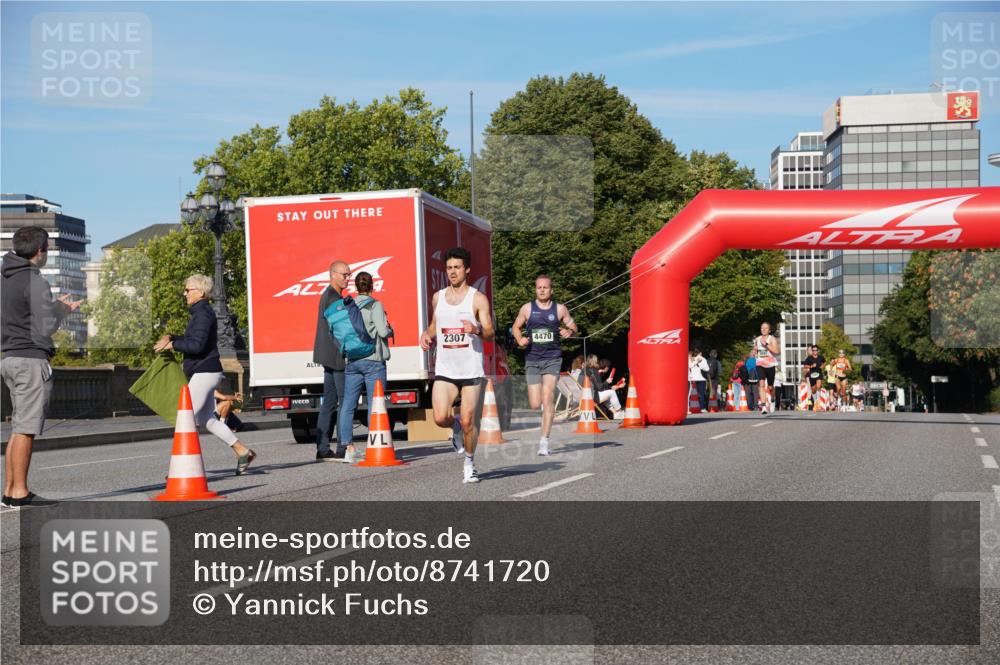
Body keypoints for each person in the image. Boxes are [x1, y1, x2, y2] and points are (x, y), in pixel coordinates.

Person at [1, 227, 83, 508]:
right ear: (40, 251)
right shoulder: (35, 281)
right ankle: (21, 492)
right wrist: (61, 310)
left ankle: (11, 490)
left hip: (8, 357)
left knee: (18, 427)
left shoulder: (4, 277)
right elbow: (44, 328)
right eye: (47, 248)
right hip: (31, 359)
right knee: (26, 428)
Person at [154, 274, 256, 476]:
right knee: (208, 420)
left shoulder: (202, 314)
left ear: (200, 292)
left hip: (204, 371)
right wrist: (172, 337)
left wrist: (173, 345)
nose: (184, 293)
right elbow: (194, 339)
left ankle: (181, 469)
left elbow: (196, 345)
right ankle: (242, 451)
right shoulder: (201, 313)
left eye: (187, 289)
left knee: (184, 417)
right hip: (207, 371)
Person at [420, 248, 494, 484]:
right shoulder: (437, 297)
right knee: (441, 417)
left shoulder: (477, 298)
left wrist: (477, 330)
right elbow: (435, 324)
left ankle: (470, 463)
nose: (452, 272)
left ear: (467, 269)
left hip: (471, 370)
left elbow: (491, 332)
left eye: (457, 267)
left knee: (470, 419)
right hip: (446, 369)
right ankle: (456, 429)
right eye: (449, 267)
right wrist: (427, 334)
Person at [511, 275, 577, 456]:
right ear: (535, 290)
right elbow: (515, 327)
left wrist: (568, 331)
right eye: (539, 287)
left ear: (551, 290)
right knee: (534, 403)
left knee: (547, 398)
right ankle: (544, 415)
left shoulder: (560, 309)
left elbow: (574, 327)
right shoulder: (527, 308)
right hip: (532, 359)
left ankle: (544, 442)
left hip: (552, 358)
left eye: (545, 287)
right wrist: (519, 339)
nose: (541, 290)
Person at [337, 272, 393, 463]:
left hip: (352, 361)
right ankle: (374, 444)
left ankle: (348, 447)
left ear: (355, 287)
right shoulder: (375, 305)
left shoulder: (349, 306)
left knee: (347, 405)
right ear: (372, 286)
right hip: (373, 361)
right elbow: (383, 331)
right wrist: (391, 329)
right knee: (375, 404)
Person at [313, 260, 349, 462]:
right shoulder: (334, 298)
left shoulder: (328, 295)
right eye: (344, 274)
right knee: (345, 401)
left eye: (348, 275)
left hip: (327, 355)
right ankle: (343, 446)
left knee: (329, 401)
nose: (347, 278)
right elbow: (341, 330)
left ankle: (323, 447)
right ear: (332, 274)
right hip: (336, 356)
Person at [752, 322, 780, 415]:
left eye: (765, 328)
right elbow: (756, 351)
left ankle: (772, 398)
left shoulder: (772, 339)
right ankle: (763, 406)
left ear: (769, 330)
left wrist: (767, 345)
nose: (763, 330)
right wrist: (755, 351)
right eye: (762, 328)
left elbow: (777, 351)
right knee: (761, 384)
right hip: (760, 364)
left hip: (770, 365)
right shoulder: (757, 339)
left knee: (770, 387)